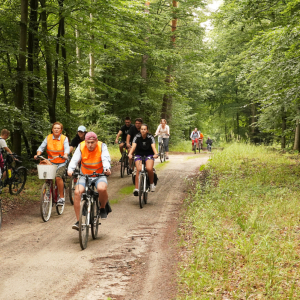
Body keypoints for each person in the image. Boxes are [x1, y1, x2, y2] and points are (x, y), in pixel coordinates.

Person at [67, 132, 111, 230]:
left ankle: (103, 208)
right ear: (85, 141)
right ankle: (79, 221)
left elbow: (105, 158)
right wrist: (70, 170)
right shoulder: (81, 146)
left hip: (99, 174)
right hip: (85, 175)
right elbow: (74, 159)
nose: (90, 145)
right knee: (77, 192)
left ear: (96, 141)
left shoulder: (102, 146)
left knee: (102, 188)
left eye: (92, 142)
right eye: (88, 142)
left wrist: (107, 168)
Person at [34, 122, 70, 206]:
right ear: (52, 129)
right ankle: (47, 192)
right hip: (50, 162)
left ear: (61, 130)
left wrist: (65, 155)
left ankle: (61, 197)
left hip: (61, 162)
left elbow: (67, 148)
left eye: (58, 128)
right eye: (55, 128)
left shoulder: (64, 138)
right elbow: (41, 147)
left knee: (58, 177)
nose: (56, 130)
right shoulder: (48, 137)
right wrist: (38, 154)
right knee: (47, 177)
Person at [128, 124, 158, 196]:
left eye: (145, 129)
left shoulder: (150, 137)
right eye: (142, 129)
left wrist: (156, 154)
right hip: (139, 155)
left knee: (149, 168)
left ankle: (151, 184)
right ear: (140, 130)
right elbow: (133, 146)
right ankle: (137, 189)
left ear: (147, 130)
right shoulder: (136, 136)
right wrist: (130, 154)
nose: (143, 130)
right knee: (138, 169)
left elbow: (153, 146)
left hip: (149, 155)